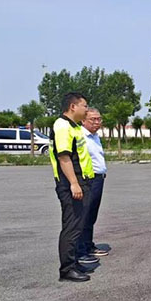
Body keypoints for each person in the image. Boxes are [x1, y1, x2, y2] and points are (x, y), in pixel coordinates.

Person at [49, 92, 94, 282]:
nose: (87, 110)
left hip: (82, 181)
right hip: (71, 184)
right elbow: (64, 157)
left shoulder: (74, 127)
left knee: (78, 225)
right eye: (85, 106)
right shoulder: (62, 126)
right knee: (72, 226)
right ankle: (67, 269)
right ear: (73, 107)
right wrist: (74, 183)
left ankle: (74, 262)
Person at [76, 107, 110, 266]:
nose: (97, 122)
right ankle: (80, 251)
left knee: (91, 215)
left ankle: (88, 245)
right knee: (84, 215)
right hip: (88, 179)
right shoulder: (80, 136)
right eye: (93, 119)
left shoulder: (95, 136)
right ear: (83, 121)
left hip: (99, 179)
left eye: (99, 119)